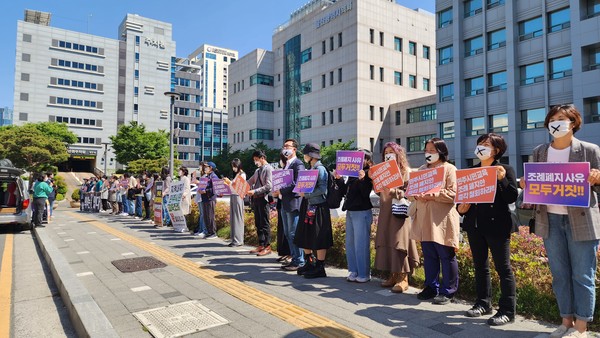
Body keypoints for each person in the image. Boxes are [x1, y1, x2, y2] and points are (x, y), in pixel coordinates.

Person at [520, 104, 600, 338]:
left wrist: (597, 177)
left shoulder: (589, 150)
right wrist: (527, 183)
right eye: (553, 118)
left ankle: (582, 328)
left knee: (582, 275)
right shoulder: (539, 152)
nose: (557, 122)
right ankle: (565, 321)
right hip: (550, 220)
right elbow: (533, 184)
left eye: (562, 118)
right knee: (560, 274)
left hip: (582, 220)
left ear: (574, 122)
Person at [457, 133, 518, 326]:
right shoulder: (471, 171)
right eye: (480, 144)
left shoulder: (505, 169)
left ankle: (508, 310)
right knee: (480, 266)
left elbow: (511, 197)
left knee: (503, 268)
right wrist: (461, 207)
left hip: (497, 226)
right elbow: (460, 202)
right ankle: (483, 303)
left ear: (496, 150)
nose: (481, 147)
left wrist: (502, 180)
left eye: (486, 144)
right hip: (475, 226)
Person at [410, 137, 460, 305]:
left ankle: (448, 290)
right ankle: (431, 286)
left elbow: (453, 194)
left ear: (441, 151)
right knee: (429, 255)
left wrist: (433, 194)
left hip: (442, 220)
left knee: (446, 254)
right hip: (425, 219)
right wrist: (416, 194)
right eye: (427, 150)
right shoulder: (422, 169)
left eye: (432, 150)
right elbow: (410, 193)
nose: (428, 153)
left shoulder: (449, 169)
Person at [374, 142, 419, 292]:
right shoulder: (382, 171)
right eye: (385, 152)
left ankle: (403, 278)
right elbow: (379, 191)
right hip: (385, 210)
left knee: (400, 242)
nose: (388, 154)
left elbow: (408, 193)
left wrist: (394, 191)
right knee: (387, 240)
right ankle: (393, 275)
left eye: (391, 151)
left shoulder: (406, 171)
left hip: (400, 212)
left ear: (398, 154)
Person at [294, 143, 333, 279]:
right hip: (309, 206)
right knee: (306, 234)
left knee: (319, 236)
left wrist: (306, 194)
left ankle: (320, 266)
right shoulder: (310, 168)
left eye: (305, 154)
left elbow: (323, 190)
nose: (303, 156)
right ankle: (309, 262)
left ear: (310, 156)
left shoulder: (320, 169)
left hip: (318, 207)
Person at [336, 149, 374, 283]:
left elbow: (365, 194)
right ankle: (353, 270)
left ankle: (364, 273)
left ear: (368, 160)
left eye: (362, 157)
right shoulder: (351, 174)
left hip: (362, 211)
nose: (358, 160)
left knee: (361, 244)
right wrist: (339, 179)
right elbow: (343, 192)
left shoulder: (369, 173)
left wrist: (363, 179)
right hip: (351, 211)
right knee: (351, 243)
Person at [276, 139, 306, 271]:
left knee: (294, 233)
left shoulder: (298, 164)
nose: (285, 148)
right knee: (288, 233)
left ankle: (300, 261)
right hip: (285, 202)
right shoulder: (286, 165)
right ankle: (294, 259)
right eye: (284, 146)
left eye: (287, 146)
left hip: (293, 203)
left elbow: (297, 183)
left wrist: (280, 190)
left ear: (294, 149)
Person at [247, 150, 274, 256]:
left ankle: (267, 246)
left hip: (264, 198)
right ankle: (261, 244)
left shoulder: (268, 169)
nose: (255, 162)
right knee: (258, 223)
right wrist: (237, 184)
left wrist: (254, 191)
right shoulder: (257, 171)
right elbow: (250, 181)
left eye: (256, 160)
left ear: (262, 158)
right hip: (256, 199)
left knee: (265, 223)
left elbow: (269, 186)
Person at [225, 159, 246, 247]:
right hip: (233, 196)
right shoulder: (237, 174)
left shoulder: (242, 174)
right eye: (233, 166)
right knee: (233, 219)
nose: (233, 168)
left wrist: (229, 182)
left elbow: (238, 187)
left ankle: (238, 240)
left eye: (235, 166)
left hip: (238, 197)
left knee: (237, 218)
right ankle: (234, 239)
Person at [199, 162, 219, 239]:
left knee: (210, 216)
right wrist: (200, 190)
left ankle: (213, 233)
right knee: (206, 216)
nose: (205, 168)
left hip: (210, 198)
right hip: (205, 198)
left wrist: (205, 191)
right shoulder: (207, 176)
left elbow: (214, 189)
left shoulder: (214, 176)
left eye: (207, 167)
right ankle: (208, 232)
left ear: (211, 168)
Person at [191, 163, 207, 237]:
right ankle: (200, 230)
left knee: (203, 215)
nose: (199, 168)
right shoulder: (202, 176)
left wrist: (198, 182)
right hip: (200, 196)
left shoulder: (205, 176)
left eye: (201, 166)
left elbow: (204, 185)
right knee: (201, 214)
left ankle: (203, 230)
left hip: (202, 197)